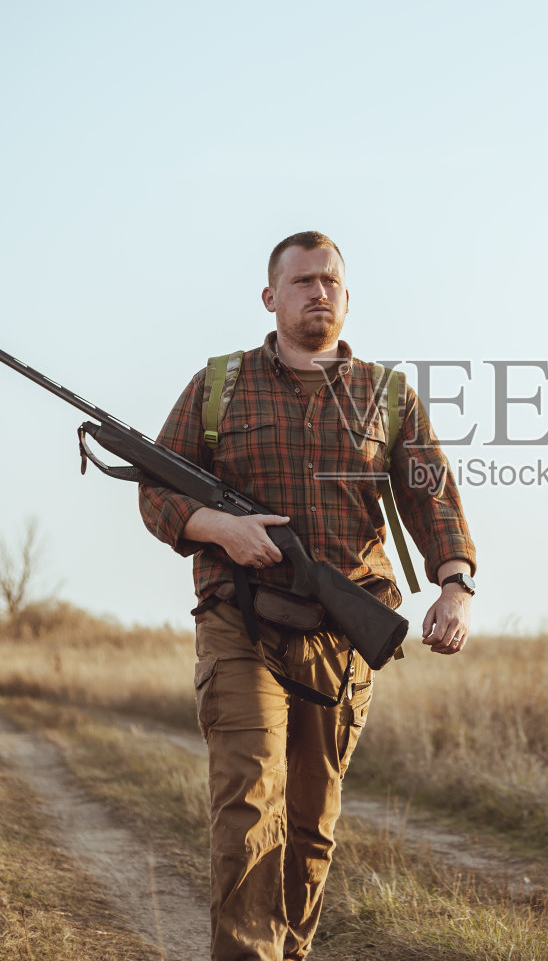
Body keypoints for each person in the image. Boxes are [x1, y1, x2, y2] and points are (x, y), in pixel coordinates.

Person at [138, 230, 477, 961]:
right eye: (301, 281)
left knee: (310, 821)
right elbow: (156, 489)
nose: (317, 292)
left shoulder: (388, 396)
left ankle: (290, 952)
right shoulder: (217, 385)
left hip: (342, 632)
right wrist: (220, 528)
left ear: (348, 299)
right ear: (271, 297)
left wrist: (454, 584)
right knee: (248, 802)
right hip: (240, 620)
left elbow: (432, 497)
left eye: (329, 281)